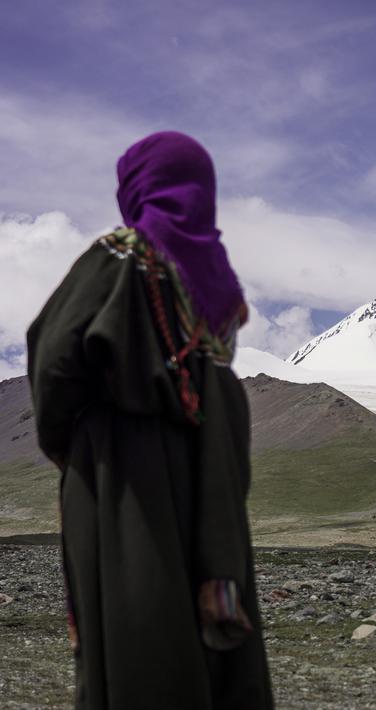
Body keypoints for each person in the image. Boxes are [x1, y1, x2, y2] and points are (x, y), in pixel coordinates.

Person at [26, 132, 274, 709]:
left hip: (121, 472)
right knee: (203, 625)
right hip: (208, 476)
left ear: (138, 186)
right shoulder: (221, 285)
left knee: (138, 615)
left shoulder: (121, 255)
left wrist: (71, 445)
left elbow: (53, 354)